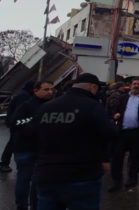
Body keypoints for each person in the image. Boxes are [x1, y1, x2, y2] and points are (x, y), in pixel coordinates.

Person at [33, 73, 117, 210]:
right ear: (93, 87)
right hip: (83, 175)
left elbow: (33, 134)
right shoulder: (92, 106)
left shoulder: (46, 107)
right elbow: (109, 133)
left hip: (47, 174)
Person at [10, 80, 54, 210]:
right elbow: (15, 123)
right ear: (36, 90)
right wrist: (35, 124)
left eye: (51, 89)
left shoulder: (52, 105)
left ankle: (36, 204)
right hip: (25, 149)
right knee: (24, 179)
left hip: (42, 150)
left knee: (39, 181)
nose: (50, 92)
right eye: (46, 89)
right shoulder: (27, 105)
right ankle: (22, 205)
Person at [108, 77, 139, 192]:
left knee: (135, 157)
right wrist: (116, 115)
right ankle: (116, 180)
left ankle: (132, 178)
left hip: (137, 132)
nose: (136, 86)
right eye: (134, 84)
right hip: (122, 131)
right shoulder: (124, 97)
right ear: (130, 85)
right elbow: (115, 109)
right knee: (117, 157)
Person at [1, 81, 34, 173]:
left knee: (12, 143)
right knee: (13, 143)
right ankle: (4, 163)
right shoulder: (24, 96)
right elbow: (20, 111)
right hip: (17, 123)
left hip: (14, 122)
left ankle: (4, 163)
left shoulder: (21, 94)